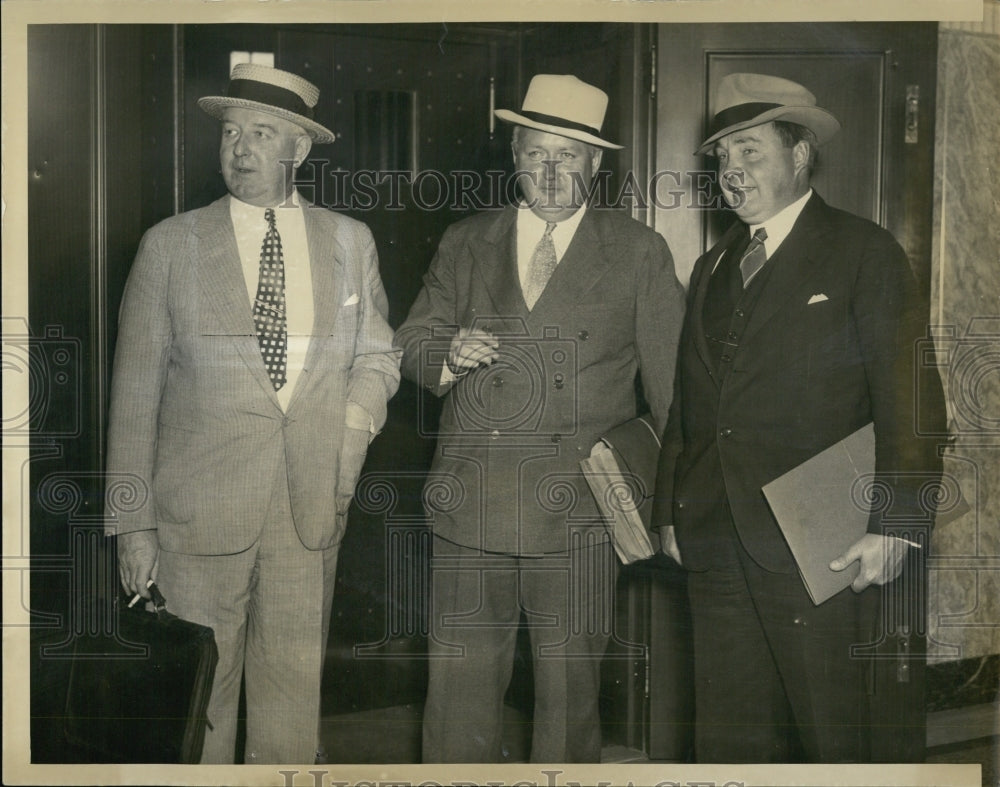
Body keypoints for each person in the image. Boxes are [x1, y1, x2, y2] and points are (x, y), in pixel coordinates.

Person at [106, 63, 401, 764]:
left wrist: (349, 438)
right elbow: (134, 395)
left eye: (262, 133)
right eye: (231, 132)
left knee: (293, 706)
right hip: (196, 516)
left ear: (299, 147)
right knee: (198, 707)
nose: (240, 149)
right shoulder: (170, 244)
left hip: (309, 509)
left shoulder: (348, 240)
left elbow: (378, 357)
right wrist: (132, 525)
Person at [652, 72, 946, 762]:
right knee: (728, 741)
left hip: (823, 543)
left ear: (801, 153)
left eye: (750, 151)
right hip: (716, 540)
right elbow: (689, 405)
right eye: (723, 156)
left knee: (832, 738)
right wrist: (669, 511)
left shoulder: (863, 252)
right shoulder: (712, 266)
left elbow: (913, 402)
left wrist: (896, 526)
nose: (732, 170)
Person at [396, 74, 685, 763]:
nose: (551, 172)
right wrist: (446, 352)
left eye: (569, 156)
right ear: (514, 157)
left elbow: (674, 395)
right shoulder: (467, 239)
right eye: (536, 154)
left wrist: (672, 507)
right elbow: (409, 340)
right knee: (457, 704)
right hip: (471, 503)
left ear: (596, 164)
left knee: (568, 705)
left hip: (578, 513)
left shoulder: (638, 250)